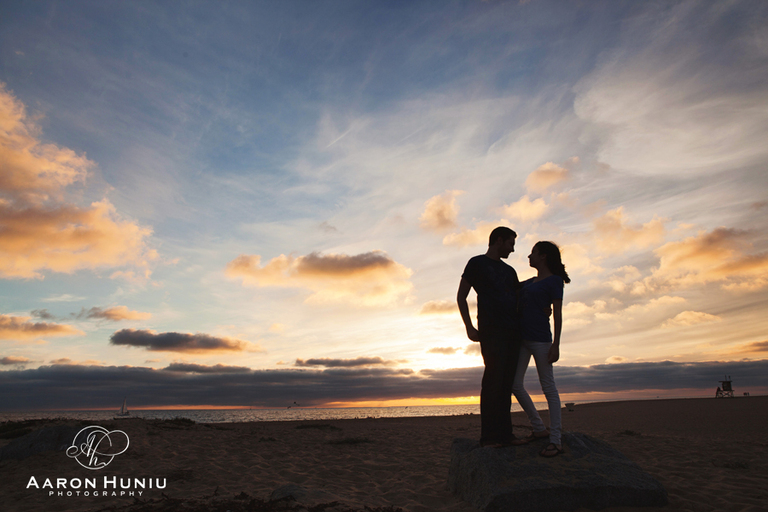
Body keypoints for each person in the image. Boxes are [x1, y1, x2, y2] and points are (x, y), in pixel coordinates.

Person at [457, 226, 522, 447]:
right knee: (493, 381)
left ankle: (506, 435)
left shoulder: (510, 271)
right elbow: (461, 296)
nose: (512, 249)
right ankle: (490, 438)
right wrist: (469, 327)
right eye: (511, 244)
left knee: (506, 384)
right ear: (499, 240)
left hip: (514, 331)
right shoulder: (477, 263)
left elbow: (519, 298)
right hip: (491, 330)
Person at [512, 241, 570, 457]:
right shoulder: (528, 283)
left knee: (548, 388)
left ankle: (556, 440)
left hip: (541, 340)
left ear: (543, 256)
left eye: (533, 253)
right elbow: (510, 291)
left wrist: (556, 344)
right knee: (515, 384)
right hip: (522, 340)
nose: (529, 256)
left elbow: (558, 314)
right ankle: (538, 427)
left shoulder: (554, 281)